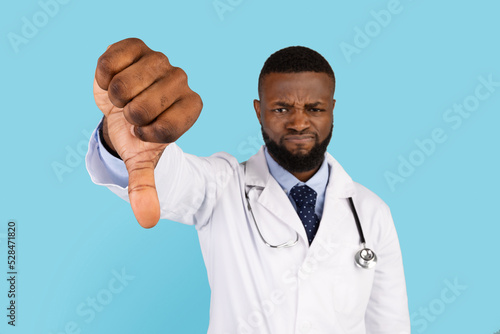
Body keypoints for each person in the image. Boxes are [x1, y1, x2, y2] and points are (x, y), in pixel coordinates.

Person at [86, 38, 410, 334]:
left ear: (332, 110)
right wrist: (128, 145)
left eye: (315, 109)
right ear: (259, 111)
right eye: (282, 108)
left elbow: (390, 325)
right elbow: (172, 180)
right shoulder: (221, 187)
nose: (299, 122)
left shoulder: (371, 212)